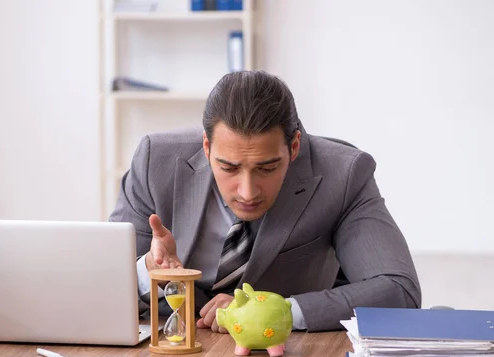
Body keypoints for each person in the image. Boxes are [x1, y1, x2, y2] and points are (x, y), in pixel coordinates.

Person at [110, 70, 421, 332]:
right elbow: (103, 284)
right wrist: (149, 270)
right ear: (207, 146)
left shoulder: (344, 175)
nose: (247, 191)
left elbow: (399, 290)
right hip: (170, 352)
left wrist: (275, 311)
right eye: (229, 167)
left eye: (267, 167)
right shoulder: (155, 160)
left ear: (294, 146)